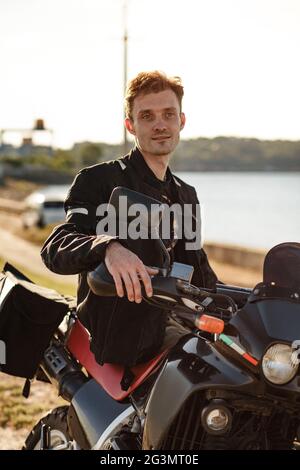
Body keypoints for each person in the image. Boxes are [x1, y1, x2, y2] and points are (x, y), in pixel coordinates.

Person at [41, 71, 218, 368]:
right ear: (131, 126)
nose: (160, 124)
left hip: (169, 319)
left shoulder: (186, 195)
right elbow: (56, 246)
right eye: (147, 116)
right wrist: (109, 248)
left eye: (168, 114)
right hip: (116, 332)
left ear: (181, 121)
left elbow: (199, 272)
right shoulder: (98, 180)